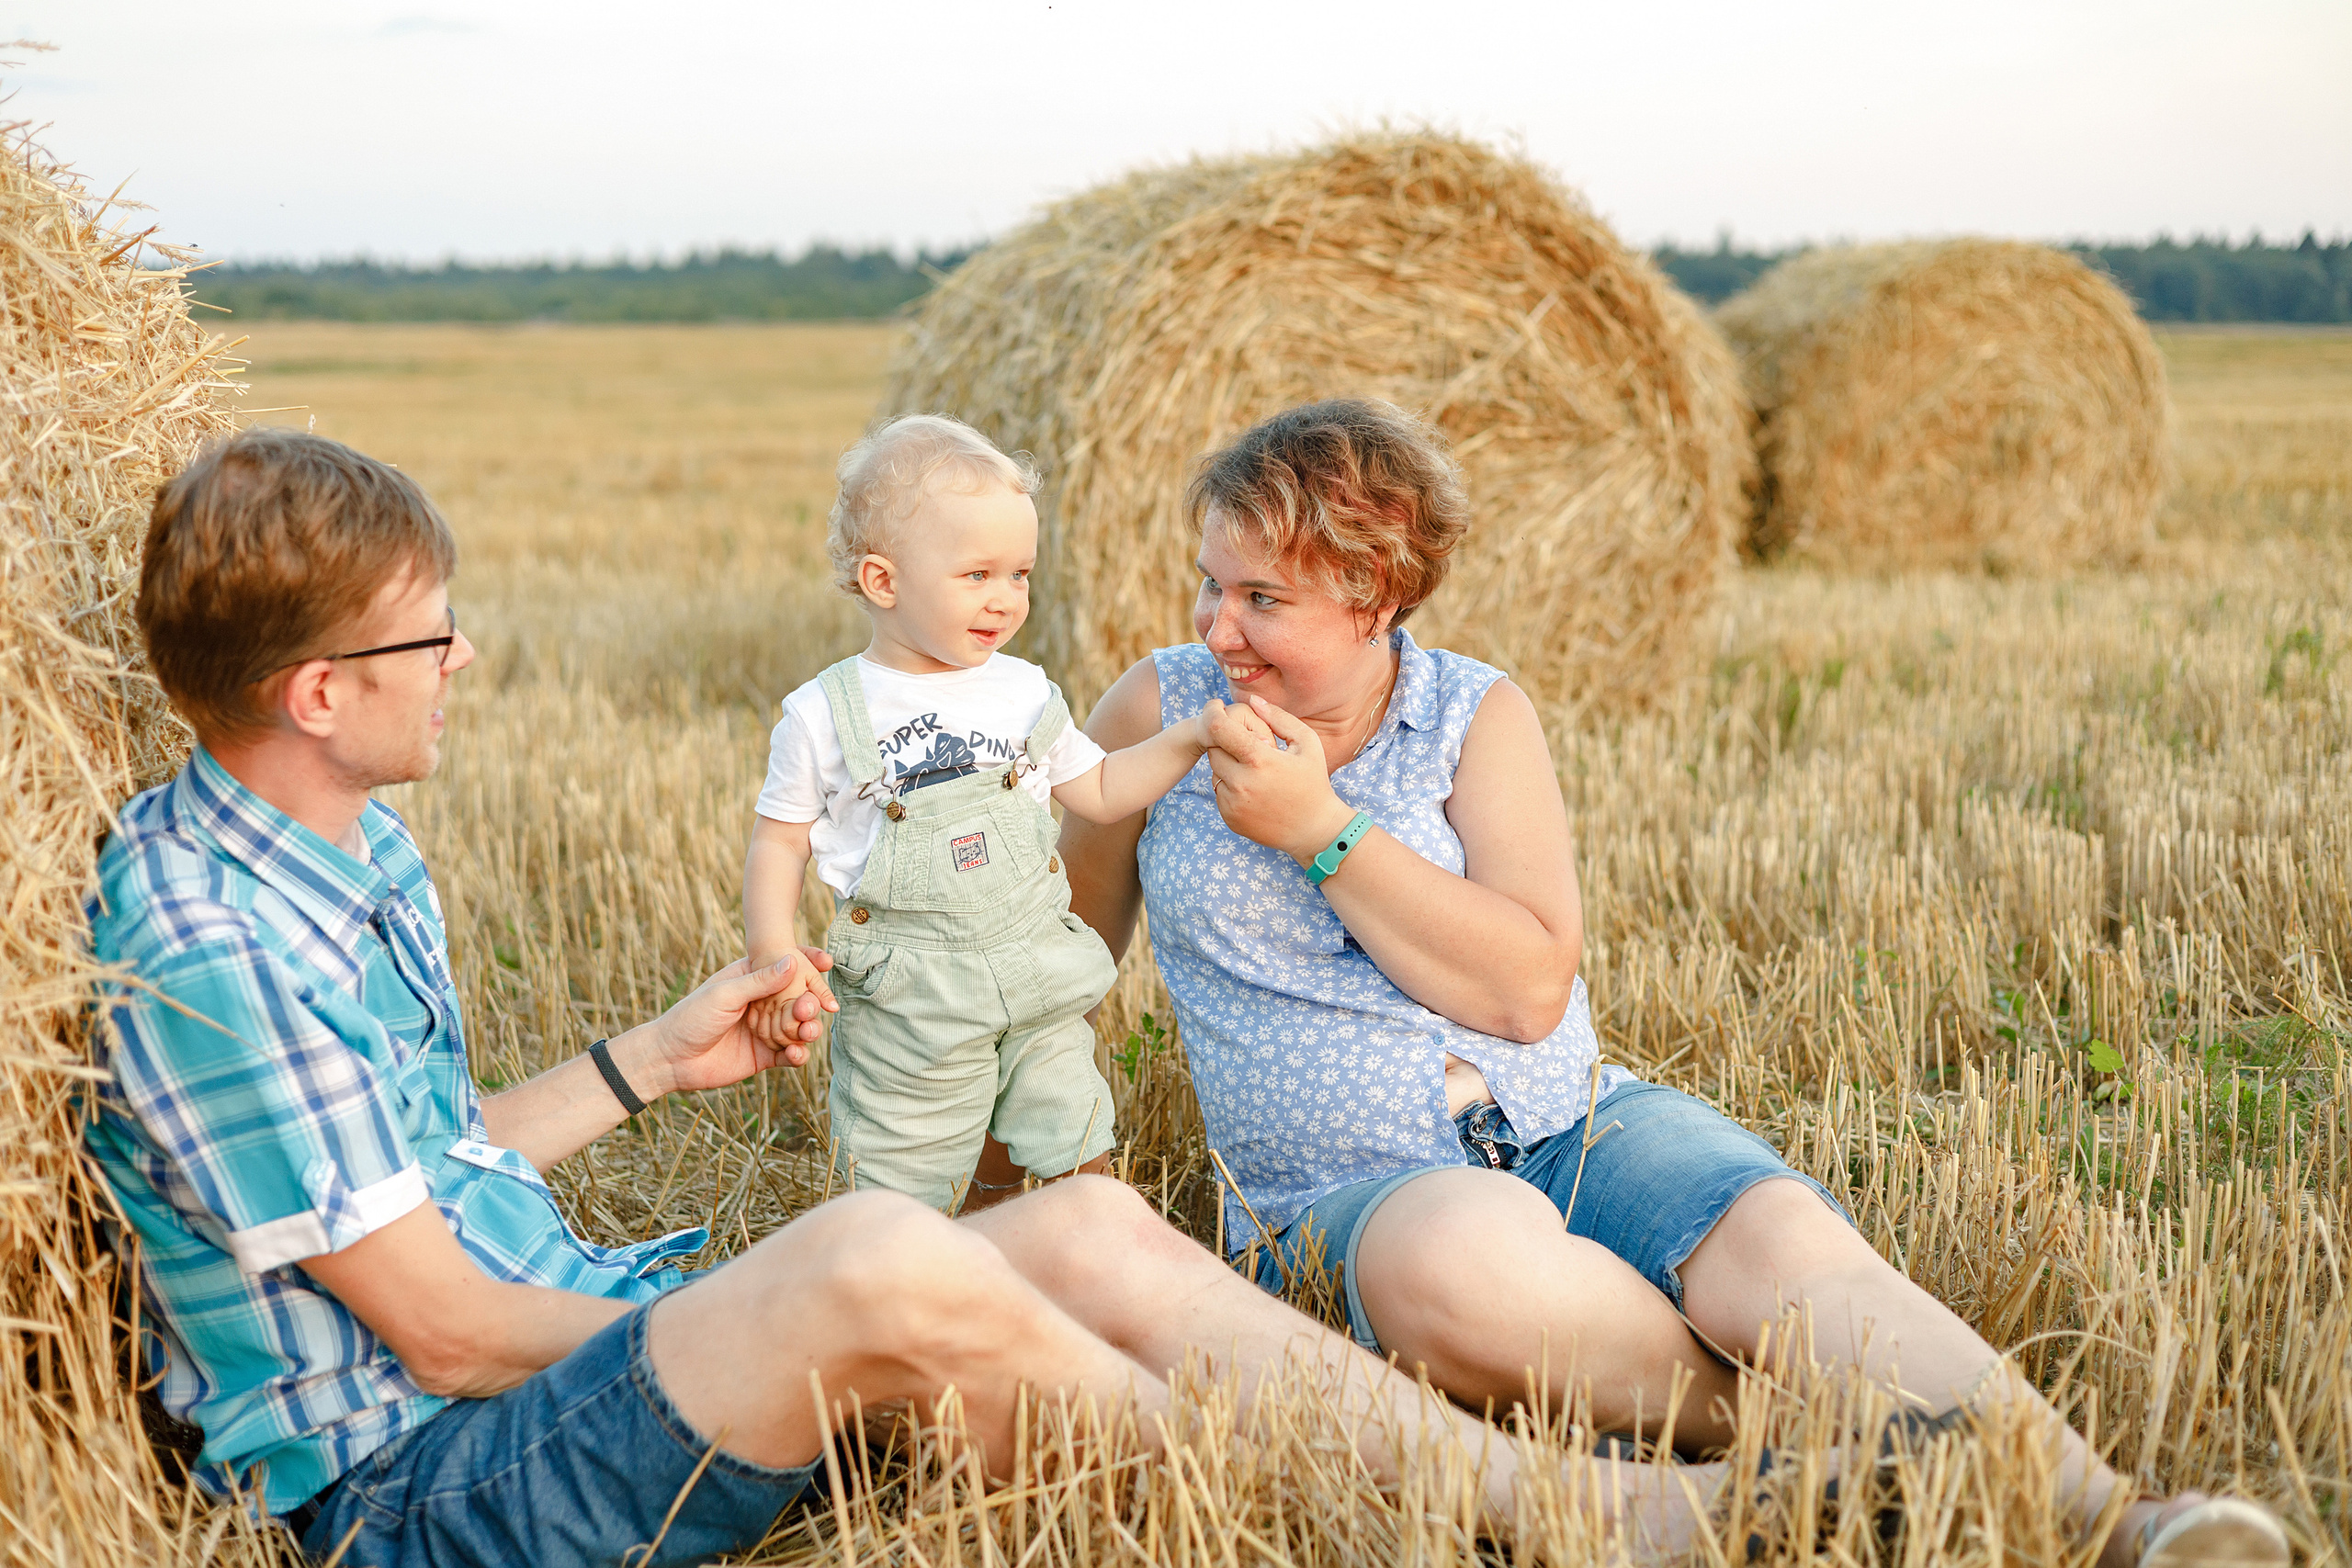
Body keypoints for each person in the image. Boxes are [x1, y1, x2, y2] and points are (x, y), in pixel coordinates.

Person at [90, 425, 1740, 1568]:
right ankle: (1477, 1516)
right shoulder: (212, 942)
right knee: (874, 1256)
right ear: (317, 691)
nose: (461, 660)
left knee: (1082, 1225)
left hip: (542, 1373)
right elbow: (444, 1333)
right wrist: (778, 1325)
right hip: (437, 1488)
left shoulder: (342, 851)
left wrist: (639, 1063)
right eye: (424, 639)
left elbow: (412, 1160)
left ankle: (1534, 1494)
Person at [1055, 398, 2290, 1568]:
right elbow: (1054, 950)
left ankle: (2114, 1514)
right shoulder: (1158, 706)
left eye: (1260, 596)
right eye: (1210, 583)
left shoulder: (1474, 714)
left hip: (1579, 1123)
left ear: (1374, 592)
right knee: (1469, 1259)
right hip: (1342, 1189)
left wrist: (1321, 828)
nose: (1217, 625)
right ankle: (1839, 1446)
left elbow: (1529, 986)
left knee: (1801, 1256)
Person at [742, 414, 1216, 1213]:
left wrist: (1192, 737)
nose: (1005, 600)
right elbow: (780, 843)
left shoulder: (1024, 689)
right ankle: (917, 1293)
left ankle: (1095, 1265)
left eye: (1020, 575)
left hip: (1036, 969)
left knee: (1078, 1137)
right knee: (905, 1180)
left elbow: (1100, 790)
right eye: (977, 575)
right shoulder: (825, 713)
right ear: (883, 582)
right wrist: (773, 951)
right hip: (911, 995)